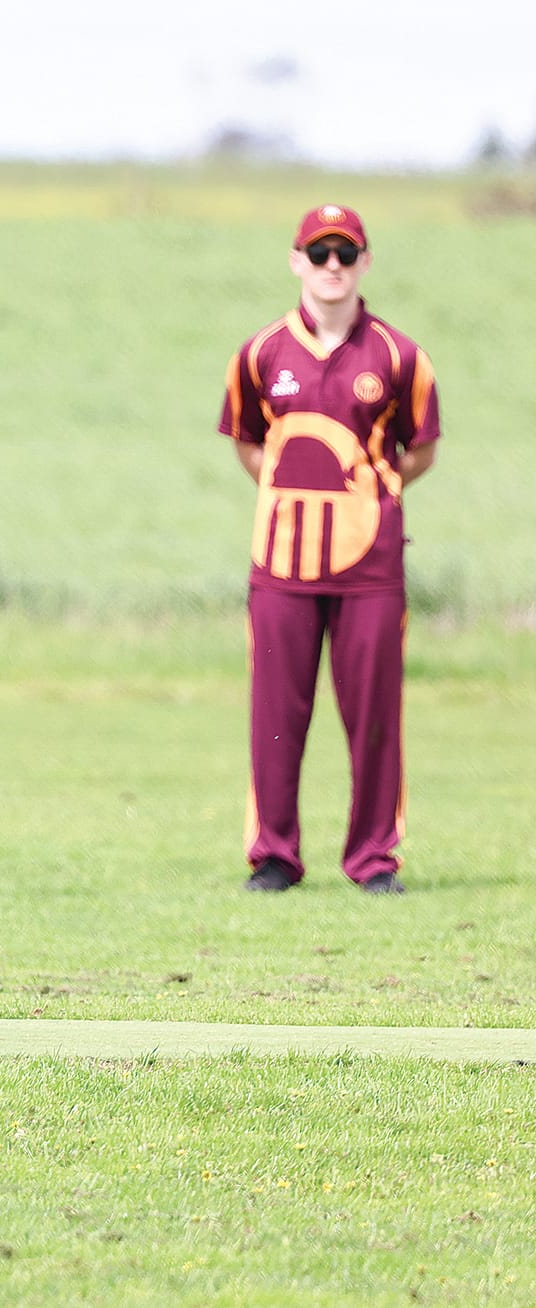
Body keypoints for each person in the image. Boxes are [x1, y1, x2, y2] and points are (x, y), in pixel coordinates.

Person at [218, 204, 440, 894]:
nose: (333, 267)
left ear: (366, 263)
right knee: (276, 715)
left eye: (346, 253)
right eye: (320, 254)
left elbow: (421, 448)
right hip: (281, 566)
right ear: (297, 263)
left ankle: (373, 859)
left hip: (370, 568)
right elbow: (249, 442)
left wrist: (367, 501)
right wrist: (296, 496)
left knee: (375, 714)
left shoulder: (399, 356)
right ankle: (275, 856)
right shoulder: (261, 354)